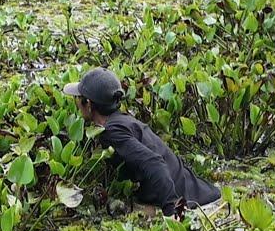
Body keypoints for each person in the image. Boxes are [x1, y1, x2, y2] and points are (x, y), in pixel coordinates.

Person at [63, 67, 221, 222]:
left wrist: (172, 214)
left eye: (78, 98)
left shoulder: (112, 132)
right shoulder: (123, 120)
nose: (76, 103)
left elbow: (154, 163)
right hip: (201, 192)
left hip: (195, 205)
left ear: (89, 104)